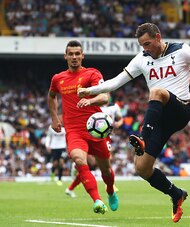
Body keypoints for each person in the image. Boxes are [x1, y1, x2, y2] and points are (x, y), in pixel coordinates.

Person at [77, 22, 190, 222]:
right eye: (142, 46)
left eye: (148, 44)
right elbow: (116, 82)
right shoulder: (142, 59)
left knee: (157, 91)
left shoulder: (182, 50)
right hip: (160, 119)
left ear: (158, 37)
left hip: (180, 110)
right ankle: (176, 194)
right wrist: (90, 91)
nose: (146, 49)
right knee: (141, 167)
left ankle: (142, 138)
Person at [47, 40, 118, 214]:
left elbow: (104, 97)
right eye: (70, 54)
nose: (74, 57)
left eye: (77, 54)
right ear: (65, 56)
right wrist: (55, 118)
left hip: (96, 130)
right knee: (79, 161)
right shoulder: (58, 78)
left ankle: (110, 190)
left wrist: (90, 99)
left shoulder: (91, 74)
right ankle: (97, 201)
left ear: (82, 56)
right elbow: (51, 96)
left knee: (106, 171)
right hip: (74, 131)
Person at [65, 102, 123, 198]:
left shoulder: (114, 106)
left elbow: (120, 119)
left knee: (102, 165)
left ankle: (71, 187)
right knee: (89, 165)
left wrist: (117, 123)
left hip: (106, 136)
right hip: (91, 135)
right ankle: (74, 180)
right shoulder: (94, 104)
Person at [45, 117, 67, 185]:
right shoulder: (51, 127)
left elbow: (68, 137)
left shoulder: (66, 128)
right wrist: (47, 145)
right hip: (54, 147)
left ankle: (59, 179)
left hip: (63, 147)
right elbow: (49, 136)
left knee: (61, 162)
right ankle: (52, 174)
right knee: (55, 163)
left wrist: (68, 146)